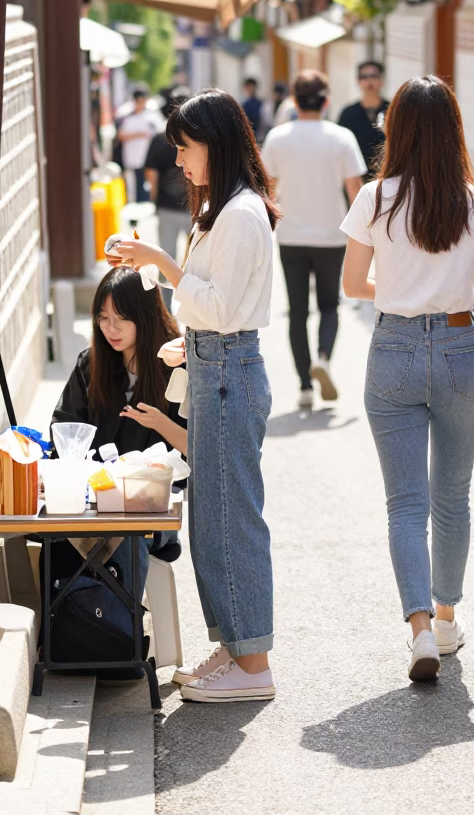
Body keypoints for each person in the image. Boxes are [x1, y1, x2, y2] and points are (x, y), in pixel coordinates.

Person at [110, 88, 278, 705]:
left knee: (230, 519)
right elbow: (217, 308)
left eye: (185, 148)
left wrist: (158, 260)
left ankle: (253, 661)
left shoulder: (239, 213)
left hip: (229, 370)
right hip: (218, 364)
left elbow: (219, 305)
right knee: (215, 517)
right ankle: (238, 648)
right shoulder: (228, 209)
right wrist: (192, 343)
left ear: (215, 144)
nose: (180, 160)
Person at [341, 75, 474, 681]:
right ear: (454, 130)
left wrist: (404, 289)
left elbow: (351, 286)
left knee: (404, 504)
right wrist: (456, 292)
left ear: (397, 129)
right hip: (463, 344)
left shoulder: (374, 198)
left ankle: (418, 632)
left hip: (393, 347)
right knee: (453, 496)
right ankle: (444, 617)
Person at [51, 267, 187, 598]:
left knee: (124, 535)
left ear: (145, 316)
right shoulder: (90, 365)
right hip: (90, 504)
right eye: (103, 317)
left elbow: (186, 456)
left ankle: (121, 637)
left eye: (121, 318)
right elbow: (62, 429)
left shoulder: (176, 368)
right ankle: (64, 636)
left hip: (150, 510)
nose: (110, 328)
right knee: (56, 535)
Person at [262, 70, 366, 408]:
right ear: (325, 101)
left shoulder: (278, 138)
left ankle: (305, 387)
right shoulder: (341, 137)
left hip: (291, 235)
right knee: (329, 305)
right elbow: (356, 191)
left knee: (296, 312)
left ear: (294, 101)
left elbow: (268, 191)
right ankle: (323, 357)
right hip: (331, 235)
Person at [145, 88, 191, 266]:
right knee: (195, 263)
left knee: (166, 260)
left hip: (166, 205)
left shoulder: (159, 138)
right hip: (193, 205)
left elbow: (151, 174)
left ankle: (165, 295)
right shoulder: (198, 138)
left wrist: (155, 200)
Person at [337, 61, 391, 177]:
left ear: (382, 80)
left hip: (388, 177)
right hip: (356, 178)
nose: (369, 81)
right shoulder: (348, 114)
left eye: (374, 76)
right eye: (364, 77)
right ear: (358, 81)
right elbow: (340, 147)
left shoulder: (393, 110)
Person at [117, 88, 161, 203]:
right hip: (132, 155)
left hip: (148, 155)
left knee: (146, 181)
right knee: (135, 182)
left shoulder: (151, 117)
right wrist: (139, 135)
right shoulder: (127, 117)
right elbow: (121, 135)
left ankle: (147, 201)